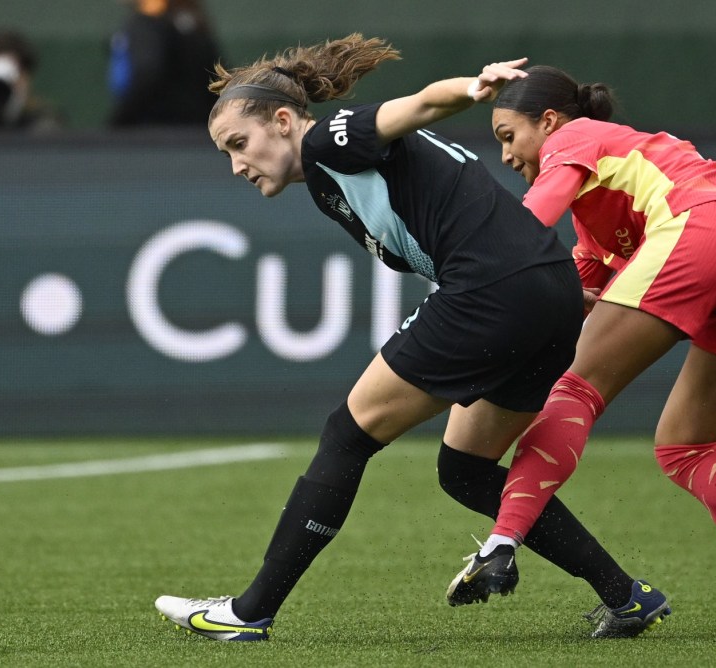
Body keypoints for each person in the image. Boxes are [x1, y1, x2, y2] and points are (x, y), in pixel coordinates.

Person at [154, 34, 670, 642]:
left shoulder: (326, 139)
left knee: (346, 435)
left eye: (239, 144)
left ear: (285, 121)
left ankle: (248, 614)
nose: (237, 165)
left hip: (491, 289)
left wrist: (469, 88)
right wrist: (543, 293)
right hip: (544, 289)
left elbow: (418, 105)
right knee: (466, 469)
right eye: (227, 154)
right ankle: (625, 596)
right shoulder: (332, 176)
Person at [445, 61, 716, 638]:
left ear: (548, 122)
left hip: (703, 226)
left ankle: (501, 543)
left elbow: (521, 238)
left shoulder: (572, 138)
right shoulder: (600, 223)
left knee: (577, 386)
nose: (506, 156)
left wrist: (461, 283)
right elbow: (557, 297)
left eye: (508, 137)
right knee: (688, 445)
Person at [106, 0, 221, 127]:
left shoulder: (145, 25)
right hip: (197, 133)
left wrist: (117, 124)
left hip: (154, 134)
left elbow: (147, 74)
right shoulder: (193, 20)